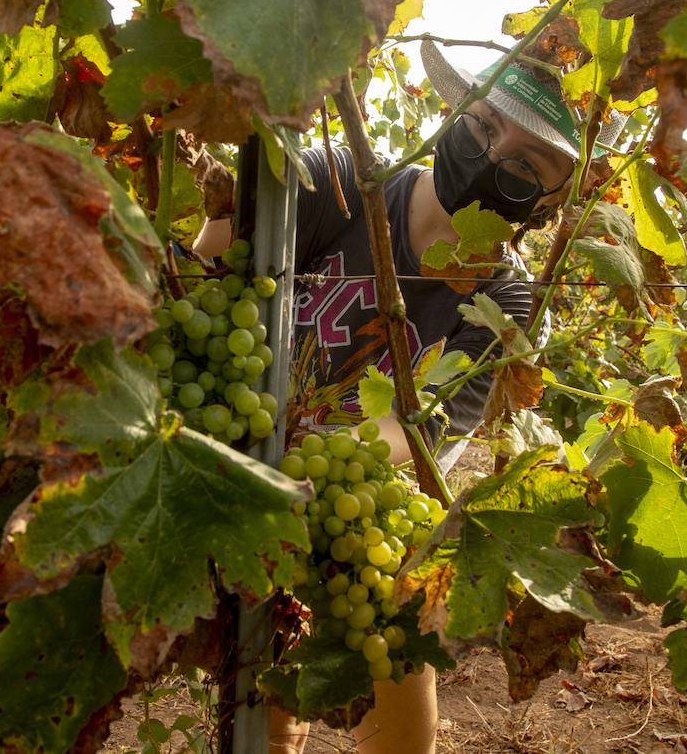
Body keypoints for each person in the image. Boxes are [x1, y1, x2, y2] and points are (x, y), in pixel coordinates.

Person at [198, 39, 607, 753]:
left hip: (359, 508)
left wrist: (303, 450)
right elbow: (209, 279)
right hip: (242, 479)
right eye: (482, 128)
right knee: (262, 697)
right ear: (450, 117)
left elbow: (418, 439)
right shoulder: (334, 185)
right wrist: (228, 204)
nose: (488, 156)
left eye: (523, 166)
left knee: (399, 656)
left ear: (546, 205)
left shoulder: (502, 300)